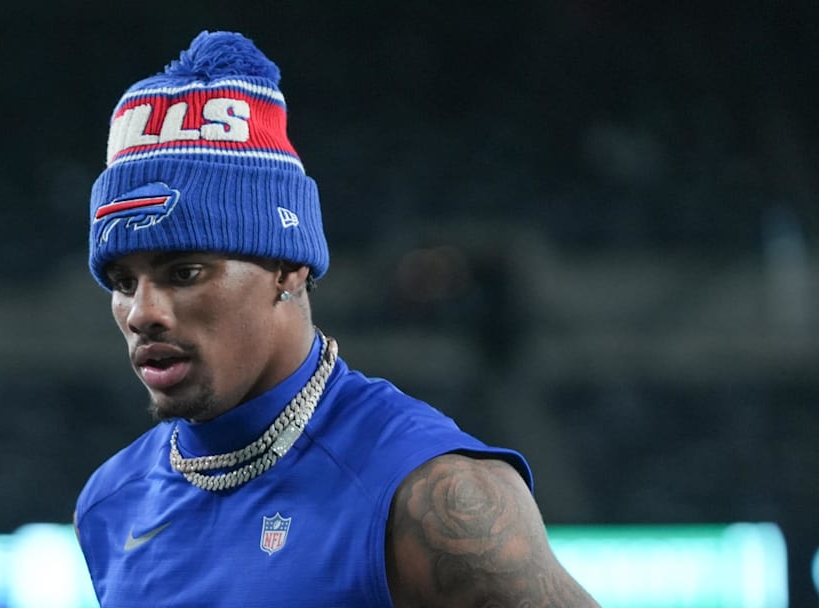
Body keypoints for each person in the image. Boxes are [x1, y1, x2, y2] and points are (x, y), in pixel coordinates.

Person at [74, 30, 600, 607]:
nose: (143, 313)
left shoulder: (433, 499)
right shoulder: (109, 505)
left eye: (184, 273)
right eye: (123, 283)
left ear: (287, 267)